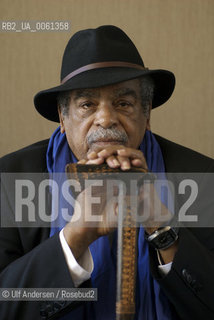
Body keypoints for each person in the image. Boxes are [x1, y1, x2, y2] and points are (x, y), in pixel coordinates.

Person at [0, 25, 214, 320]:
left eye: (123, 103)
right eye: (87, 105)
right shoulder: (9, 181)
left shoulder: (201, 177)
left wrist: (164, 229)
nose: (105, 118)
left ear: (147, 114)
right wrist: (73, 239)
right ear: (63, 118)